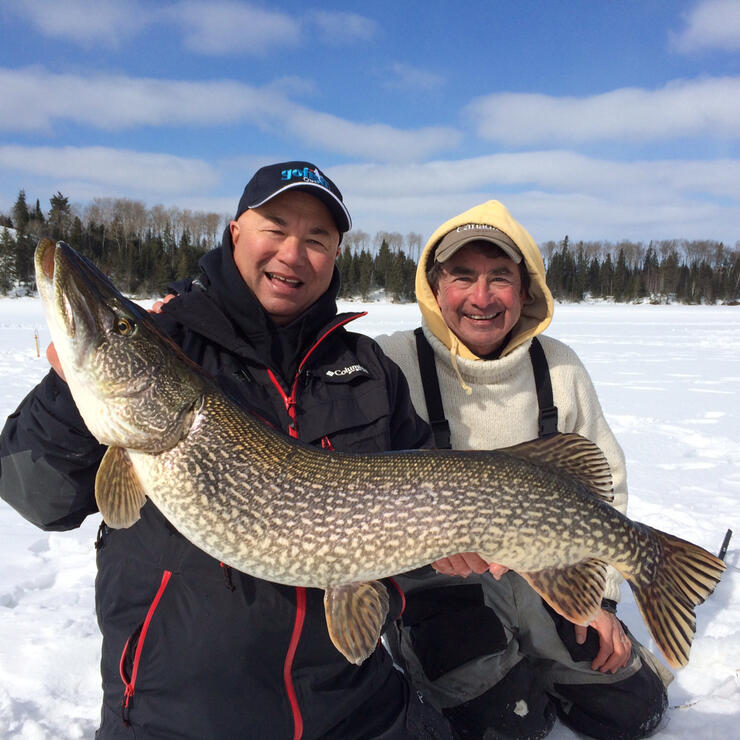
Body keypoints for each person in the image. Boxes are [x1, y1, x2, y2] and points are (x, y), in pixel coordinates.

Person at [0, 162, 455, 739]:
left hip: (357, 711)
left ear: (336, 255)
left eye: (317, 239)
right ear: (236, 231)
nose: (293, 254)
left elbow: (421, 501)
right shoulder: (170, 338)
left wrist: (447, 549)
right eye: (275, 227)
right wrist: (68, 392)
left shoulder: (368, 370)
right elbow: (36, 497)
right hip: (181, 721)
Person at [376, 200, 672, 740]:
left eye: (500, 278)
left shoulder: (558, 367)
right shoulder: (389, 361)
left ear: (526, 288)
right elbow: (304, 369)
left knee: (631, 709)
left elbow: (606, 485)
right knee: (505, 724)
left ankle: (538, 652)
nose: (481, 297)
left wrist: (600, 599)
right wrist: (190, 329)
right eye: (462, 276)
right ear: (435, 287)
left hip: (542, 573)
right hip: (441, 587)